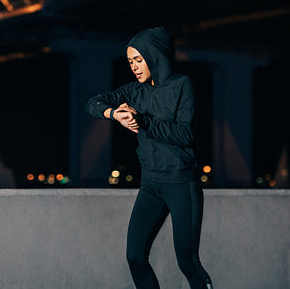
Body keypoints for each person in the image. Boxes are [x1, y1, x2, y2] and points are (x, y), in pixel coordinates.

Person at [86, 27, 213, 289]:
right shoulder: (134, 90)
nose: (133, 66)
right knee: (134, 257)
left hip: (181, 184)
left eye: (138, 59)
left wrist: (142, 121)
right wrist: (114, 114)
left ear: (155, 56)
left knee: (187, 262)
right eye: (130, 61)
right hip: (151, 185)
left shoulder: (182, 85)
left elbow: (185, 133)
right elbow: (93, 103)